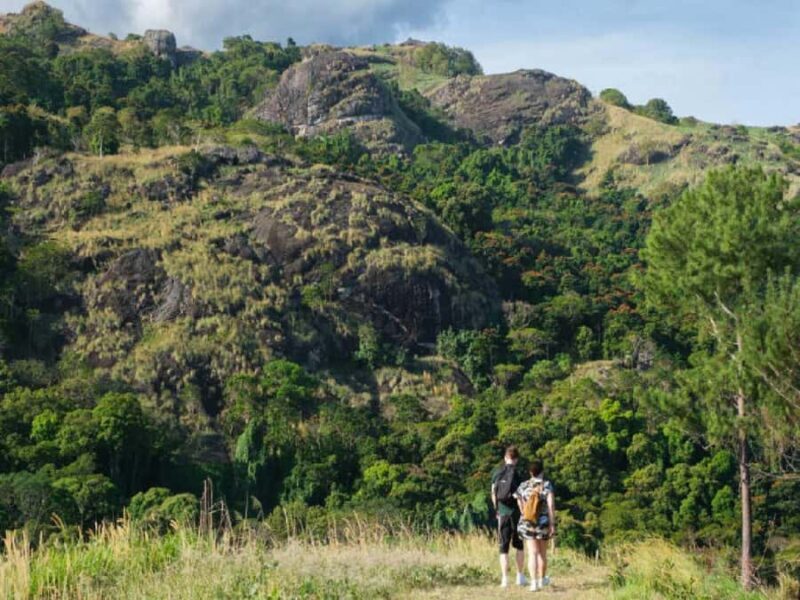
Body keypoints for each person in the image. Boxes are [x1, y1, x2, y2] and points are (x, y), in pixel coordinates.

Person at [514, 458, 556, 592]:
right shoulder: (547, 485)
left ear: (530, 472)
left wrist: (525, 513)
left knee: (532, 553)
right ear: (542, 472)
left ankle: (533, 583)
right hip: (543, 523)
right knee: (542, 553)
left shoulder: (523, 485)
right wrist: (552, 523)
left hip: (527, 523)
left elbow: (519, 502)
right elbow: (551, 505)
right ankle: (542, 579)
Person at [491, 445, 527, 588]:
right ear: (516, 459)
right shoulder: (519, 475)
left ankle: (505, 579)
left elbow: (493, 493)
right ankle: (520, 577)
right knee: (519, 546)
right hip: (517, 514)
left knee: (503, 547)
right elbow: (522, 496)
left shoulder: (497, 473)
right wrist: (524, 513)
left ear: (505, 458)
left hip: (503, 513)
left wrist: (497, 509)